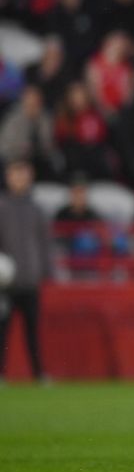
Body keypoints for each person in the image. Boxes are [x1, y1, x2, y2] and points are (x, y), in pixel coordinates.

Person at [0, 159, 52, 382]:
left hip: (30, 280)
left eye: (23, 174)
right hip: (5, 284)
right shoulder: (1, 206)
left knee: (33, 332)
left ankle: (38, 374)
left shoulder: (36, 209)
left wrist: (46, 271)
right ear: (8, 177)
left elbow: (44, 243)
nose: (19, 179)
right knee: (2, 332)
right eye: (15, 174)